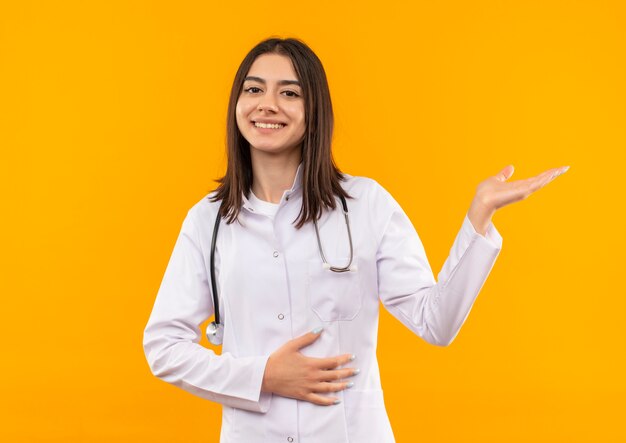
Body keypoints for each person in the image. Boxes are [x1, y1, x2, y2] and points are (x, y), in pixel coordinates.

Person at [142, 37, 568, 443]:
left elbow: (435, 322)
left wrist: (479, 216)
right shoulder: (208, 220)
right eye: (254, 89)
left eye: (289, 93)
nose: (267, 105)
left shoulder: (366, 204)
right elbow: (163, 346)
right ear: (238, 103)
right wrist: (262, 377)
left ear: (315, 111)